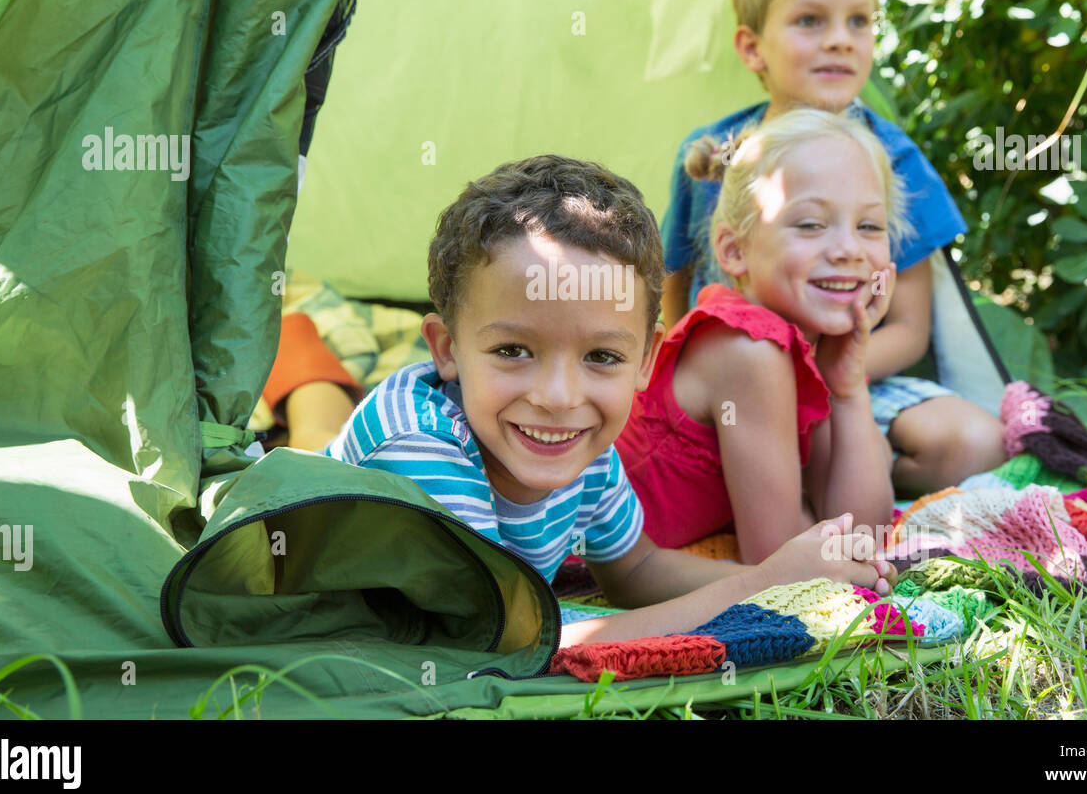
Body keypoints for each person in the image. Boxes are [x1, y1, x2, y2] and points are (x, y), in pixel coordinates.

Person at [324, 155, 895, 646]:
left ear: (647, 360)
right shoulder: (420, 447)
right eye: (514, 349)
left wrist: (783, 574)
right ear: (447, 350)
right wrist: (759, 588)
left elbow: (635, 567)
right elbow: (510, 648)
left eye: (601, 357)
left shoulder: (588, 449)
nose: (559, 397)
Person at [659, 0, 1005, 496]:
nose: (840, 39)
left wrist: (821, 380)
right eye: (810, 21)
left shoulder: (894, 157)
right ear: (752, 48)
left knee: (975, 442)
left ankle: (852, 477)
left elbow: (911, 330)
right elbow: (674, 290)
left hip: (854, 376)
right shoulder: (713, 154)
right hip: (731, 386)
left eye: (859, 21)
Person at [618, 110, 902, 564]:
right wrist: (812, 519)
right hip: (575, 557)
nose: (849, 249)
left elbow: (864, 531)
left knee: (877, 447)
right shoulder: (749, 348)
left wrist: (847, 389)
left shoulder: (816, 344)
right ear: (734, 250)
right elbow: (781, 561)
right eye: (810, 224)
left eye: (869, 226)